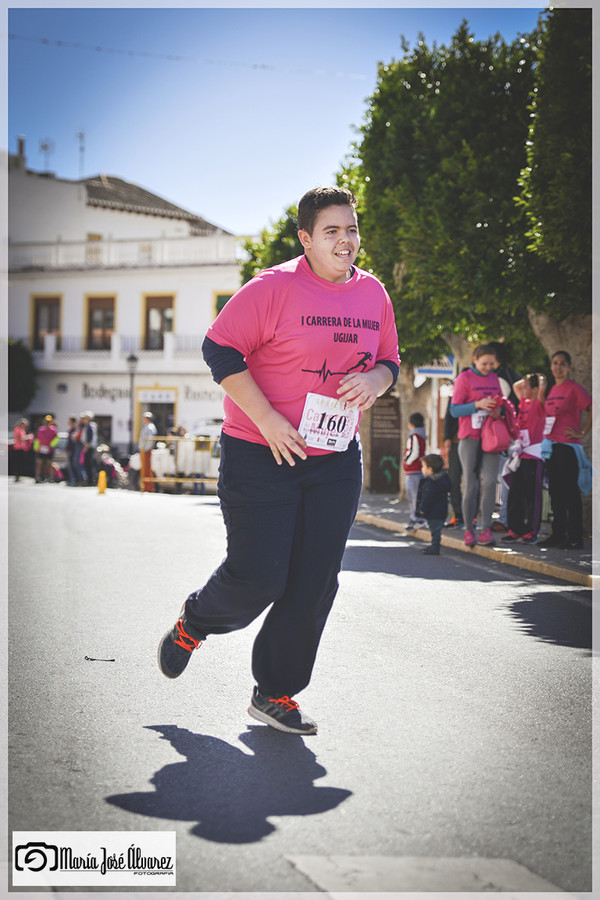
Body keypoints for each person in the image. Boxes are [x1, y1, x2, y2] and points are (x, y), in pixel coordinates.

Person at [157, 186, 401, 735]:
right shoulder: (273, 288)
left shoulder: (374, 294)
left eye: (352, 229)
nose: (346, 241)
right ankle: (194, 621)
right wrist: (268, 420)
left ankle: (275, 693)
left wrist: (377, 378)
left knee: (315, 580)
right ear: (305, 239)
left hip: (334, 457)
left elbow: (389, 359)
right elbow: (219, 348)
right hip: (260, 451)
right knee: (258, 577)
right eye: (332, 231)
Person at [449, 344, 503, 547]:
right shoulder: (464, 379)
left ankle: (486, 529)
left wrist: (498, 410)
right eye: (484, 363)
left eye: (491, 364)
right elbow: (454, 410)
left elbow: (500, 402)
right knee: (471, 484)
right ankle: (469, 530)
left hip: (492, 436)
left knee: (490, 481)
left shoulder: (494, 378)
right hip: (470, 437)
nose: (488, 367)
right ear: (474, 359)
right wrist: (477, 405)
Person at [538, 351, 592, 549]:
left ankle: (575, 537)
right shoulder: (552, 390)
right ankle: (558, 534)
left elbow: (593, 406)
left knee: (570, 492)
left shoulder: (574, 388)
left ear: (568, 367)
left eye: (562, 364)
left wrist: (582, 432)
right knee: (556, 492)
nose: (558, 367)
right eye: (555, 363)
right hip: (551, 446)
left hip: (568, 446)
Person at [501, 373, 547, 544]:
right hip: (520, 454)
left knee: (531, 495)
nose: (524, 389)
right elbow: (516, 387)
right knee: (516, 492)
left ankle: (531, 531)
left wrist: (539, 379)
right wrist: (528, 379)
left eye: (528, 387)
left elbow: (541, 390)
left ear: (535, 390)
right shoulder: (524, 403)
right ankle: (515, 528)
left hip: (534, 455)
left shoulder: (539, 404)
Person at [416, 453, 451, 555]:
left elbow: (427, 497)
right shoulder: (443, 479)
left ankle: (435, 547)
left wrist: (422, 508)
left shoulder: (430, 482)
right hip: (442, 510)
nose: (422, 469)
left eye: (423, 466)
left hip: (433, 511)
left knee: (435, 531)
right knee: (436, 529)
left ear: (430, 469)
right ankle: (434, 545)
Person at [442, 382, 464, 528]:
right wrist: (447, 438)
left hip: (474, 442)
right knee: (454, 480)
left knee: (472, 482)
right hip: (456, 442)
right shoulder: (454, 396)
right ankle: (458, 516)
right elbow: (448, 418)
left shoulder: (478, 397)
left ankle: (472, 517)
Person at [402, 412, 427, 529]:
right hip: (418, 470)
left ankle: (417, 519)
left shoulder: (415, 435)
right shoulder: (422, 435)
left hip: (413, 470)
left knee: (414, 496)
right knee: (416, 495)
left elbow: (414, 451)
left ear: (411, 423)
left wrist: (407, 461)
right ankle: (415, 518)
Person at [33, 415, 59, 482]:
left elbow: (56, 438)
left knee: (49, 463)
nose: (46, 423)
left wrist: (51, 445)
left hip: (49, 449)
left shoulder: (53, 429)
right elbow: (37, 439)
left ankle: (50, 477)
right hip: (41, 449)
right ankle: (37, 477)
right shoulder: (40, 429)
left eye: (48, 421)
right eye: (46, 421)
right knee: (39, 463)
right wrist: (36, 447)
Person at [139, 411, 158, 492]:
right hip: (144, 450)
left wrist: (146, 449)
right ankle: (146, 486)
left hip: (146, 451)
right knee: (144, 469)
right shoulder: (147, 426)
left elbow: (150, 440)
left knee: (147, 469)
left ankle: (148, 487)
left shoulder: (150, 427)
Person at [80, 411, 98, 485]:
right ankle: (89, 480)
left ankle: (90, 481)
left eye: (84, 418)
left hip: (89, 448)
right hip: (89, 447)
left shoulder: (90, 427)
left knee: (88, 464)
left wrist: (86, 447)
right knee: (87, 464)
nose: (82, 420)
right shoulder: (87, 426)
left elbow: (89, 439)